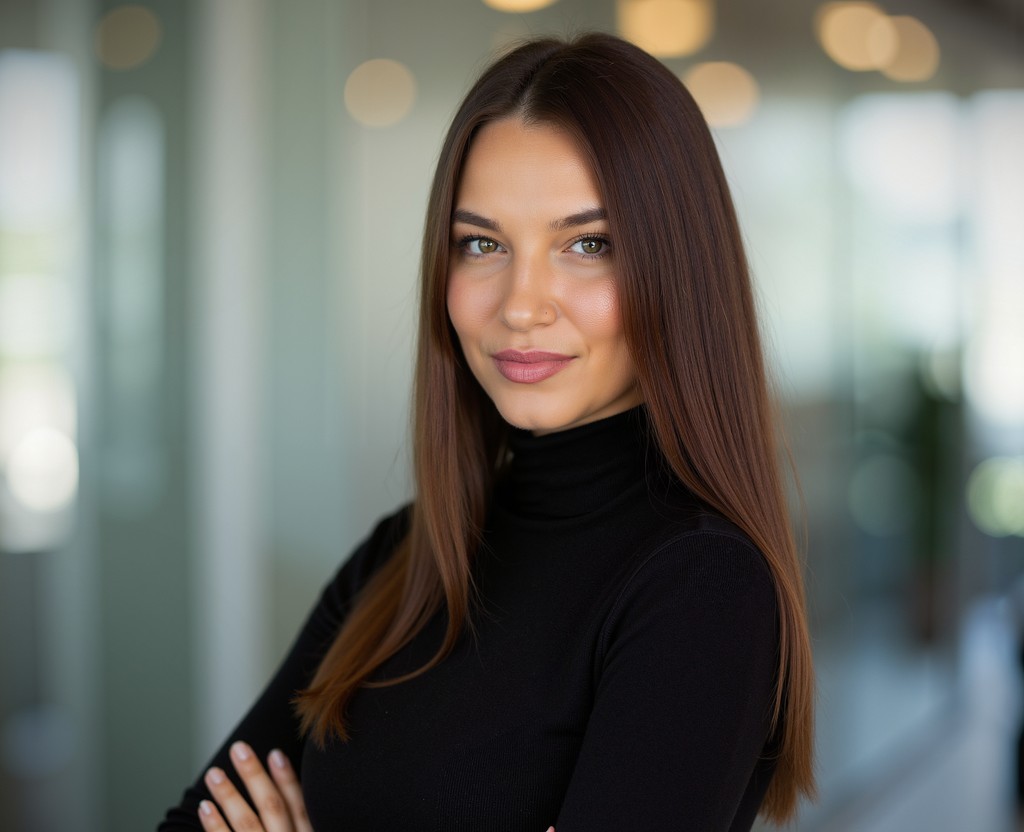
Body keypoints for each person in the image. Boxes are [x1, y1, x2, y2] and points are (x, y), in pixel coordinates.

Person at [159, 32, 816, 832]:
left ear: (677, 271)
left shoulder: (701, 587)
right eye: (482, 244)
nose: (520, 304)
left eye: (587, 244)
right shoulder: (405, 556)